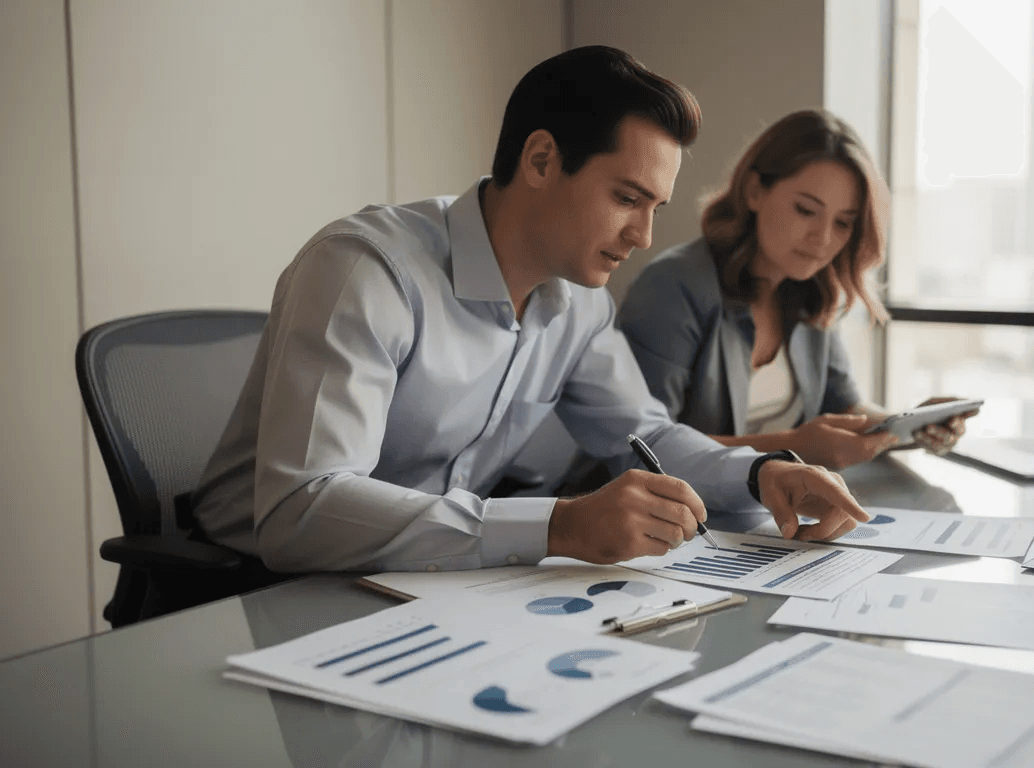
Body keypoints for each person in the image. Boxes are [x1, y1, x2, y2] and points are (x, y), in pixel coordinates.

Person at [192, 47, 870, 578]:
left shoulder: (578, 304)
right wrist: (557, 525)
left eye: (655, 208)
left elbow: (645, 436)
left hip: (427, 579)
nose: (644, 237)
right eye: (627, 198)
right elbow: (299, 512)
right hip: (253, 587)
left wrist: (764, 472)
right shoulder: (366, 272)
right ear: (542, 159)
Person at [617, 110, 976, 471]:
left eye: (842, 222)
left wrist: (909, 425)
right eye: (806, 210)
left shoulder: (812, 293)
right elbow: (642, 447)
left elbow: (847, 410)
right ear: (755, 191)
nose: (822, 239)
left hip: (768, 514)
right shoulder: (672, 287)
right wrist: (792, 448)